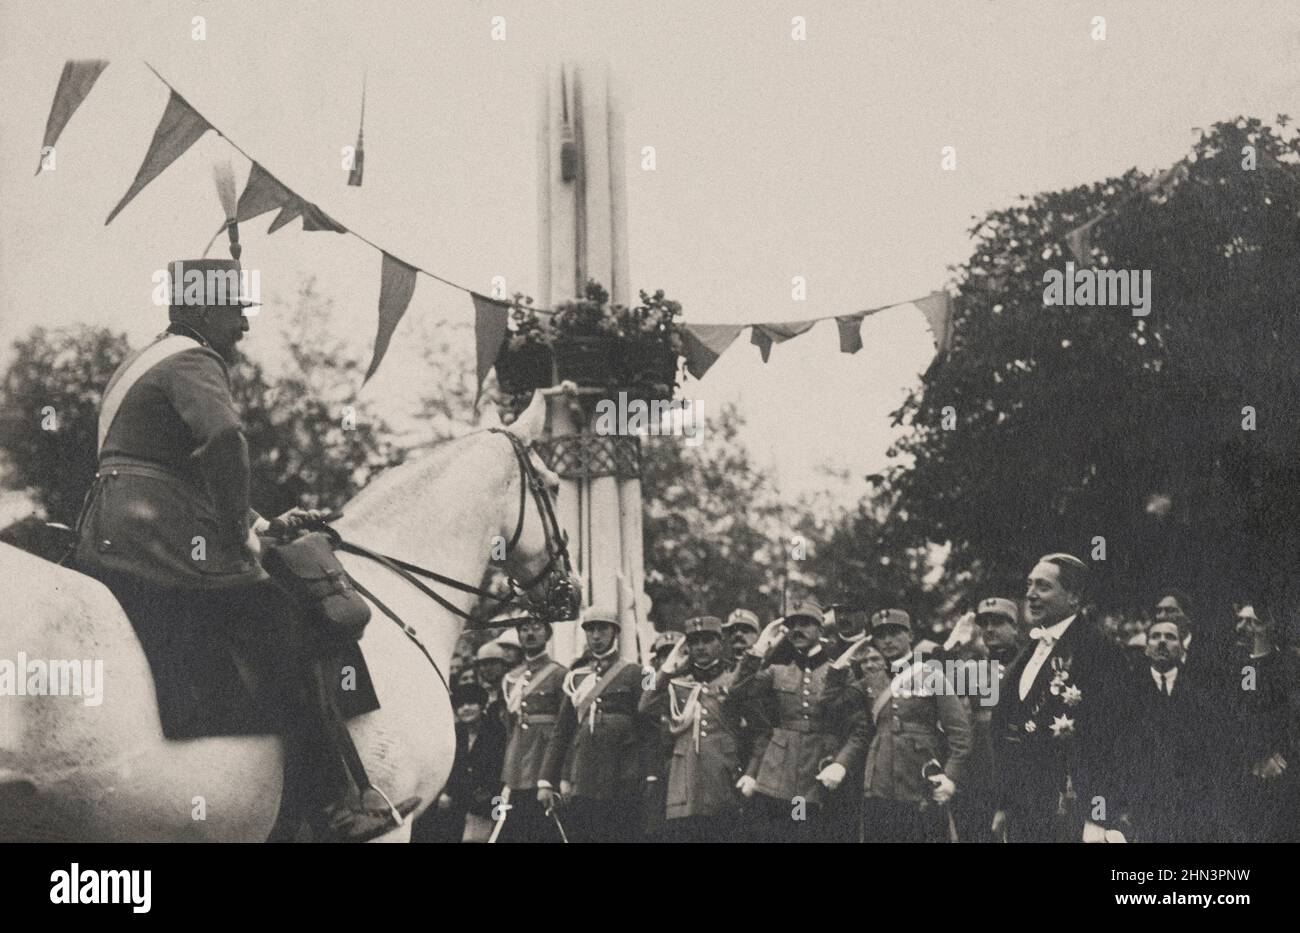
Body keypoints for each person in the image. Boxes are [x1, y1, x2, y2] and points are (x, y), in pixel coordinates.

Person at [72, 257, 413, 841]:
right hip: (160, 536)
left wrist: (261, 521)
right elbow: (224, 439)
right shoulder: (195, 359)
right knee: (282, 621)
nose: (245, 327)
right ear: (203, 310)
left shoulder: (142, 361)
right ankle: (332, 801)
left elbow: (173, 463)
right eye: (236, 312)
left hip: (114, 525)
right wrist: (234, 530)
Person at [989, 554, 1128, 843]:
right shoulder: (1029, 650)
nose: (1030, 594)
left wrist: (1098, 817)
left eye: (1043, 587)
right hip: (1023, 811)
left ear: (1074, 596)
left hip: (1070, 811)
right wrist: (1003, 804)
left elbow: (1111, 740)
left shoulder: (1097, 649)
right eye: (1029, 585)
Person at [726, 599, 868, 842]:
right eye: (792, 625)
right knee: (778, 834)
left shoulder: (840, 672)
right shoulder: (777, 671)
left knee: (811, 832)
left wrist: (841, 764)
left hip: (818, 769)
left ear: (821, 630)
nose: (797, 630)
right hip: (776, 772)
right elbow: (737, 691)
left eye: (806, 624)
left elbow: (860, 728)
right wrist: (758, 649)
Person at [847, 610, 971, 843]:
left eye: (894, 633)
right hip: (879, 782)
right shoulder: (871, 681)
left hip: (920, 781)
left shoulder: (931, 676)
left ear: (910, 635)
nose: (887, 640)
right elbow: (833, 705)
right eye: (881, 635)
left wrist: (950, 777)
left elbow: (960, 734)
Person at [640, 616, 761, 842]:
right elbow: (645, 705)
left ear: (721, 642)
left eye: (707, 640)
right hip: (683, 788)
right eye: (694, 642)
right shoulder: (678, 685)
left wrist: (751, 773)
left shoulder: (734, 682)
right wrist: (667, 670)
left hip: (722, 785)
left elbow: (761, 731)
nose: (700, 647)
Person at [541, 607, 647, 842]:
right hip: (585, 776)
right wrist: (547, 780)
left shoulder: (636, 673)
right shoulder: (576, 677)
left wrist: (648, 774)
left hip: (623, 775)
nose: (596, 636)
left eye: (602, 629)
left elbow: (648, 730)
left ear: (615, 633)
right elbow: (562, 732)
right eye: (591, 630)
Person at [1119, 618, 1222, 842]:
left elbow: (1212, 748)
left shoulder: (1202, 688)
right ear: (1146, 648)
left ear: (1182, 647)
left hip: (1193, 803)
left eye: (1170, 637)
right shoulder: (1127, 689)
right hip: (1143, 802)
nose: (1162, 642)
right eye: (1155, 637)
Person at [494, 613, 567, 843]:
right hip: (516, 767)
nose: (530, 633)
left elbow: (565, 728)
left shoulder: (560, 674)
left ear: (547, 633)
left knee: (547, 831)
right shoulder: (510, 679)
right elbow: (508, 728)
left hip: (545, 762)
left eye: (536, 627)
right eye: (524, 629)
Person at [1228, 603, 1294, 842]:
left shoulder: (1289, 663)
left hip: (1282, 768)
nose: (1243, 628)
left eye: (1252, 622)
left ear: (1270, 626)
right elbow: (1244, 710)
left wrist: (1281, 756)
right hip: (1246, 767)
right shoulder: (1238, 664)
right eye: (1241, 621)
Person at [411, 683, 506, 843]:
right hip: (454, 800)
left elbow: (500, 769)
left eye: (471, 703)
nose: (466, 708)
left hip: (488, 800)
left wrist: (487, 792)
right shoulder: (453, 733)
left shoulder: (497, 731)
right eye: (461, 705)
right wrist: (445, 792)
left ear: (482, 705)